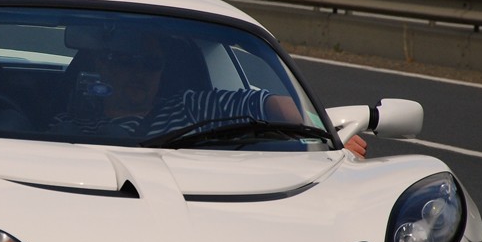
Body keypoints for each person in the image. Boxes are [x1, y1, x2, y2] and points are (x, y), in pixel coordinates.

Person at [54, 36, 368, 157]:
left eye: (151, 64)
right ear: (103, 67)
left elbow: (269, 105)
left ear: (163, 71)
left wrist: (324, 133)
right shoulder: (69, 125)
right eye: (128, 62)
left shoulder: (193, 106)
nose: (140, 73)